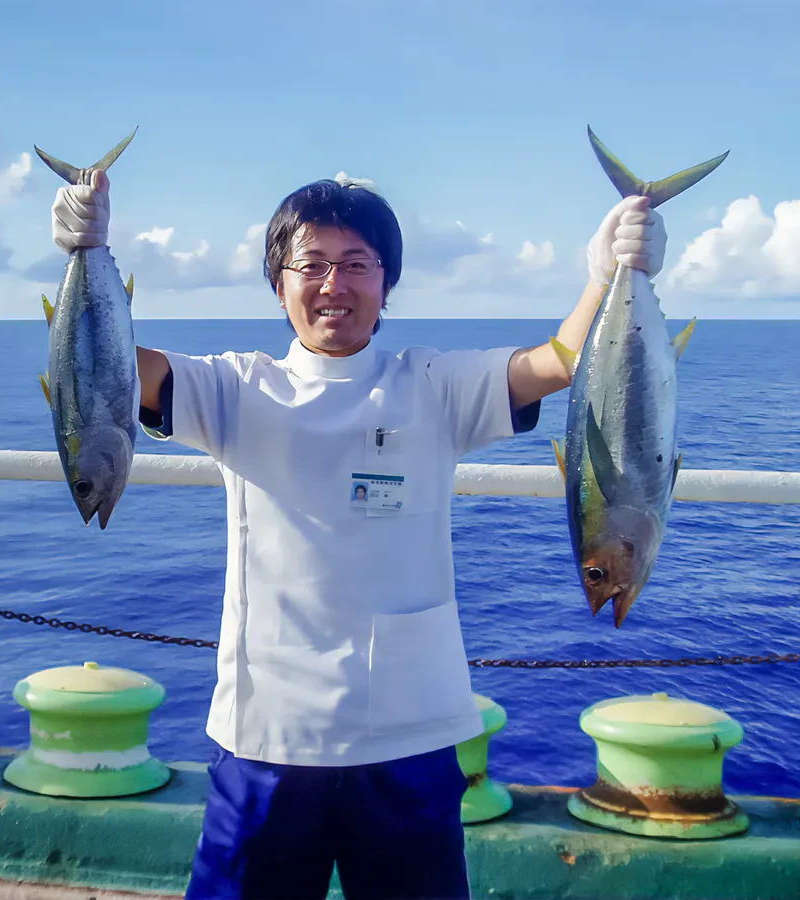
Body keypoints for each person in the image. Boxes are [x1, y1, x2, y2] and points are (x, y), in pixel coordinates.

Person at [51, 167, 665, 899]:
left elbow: (560, 363)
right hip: (266, 739)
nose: (332, 285)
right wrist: (85, 251)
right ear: (278, 285)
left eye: (356, 265)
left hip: (410, 734)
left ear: (387, 284)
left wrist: (606, 272)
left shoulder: (433, 385)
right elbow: (111, 374)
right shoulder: (236, 388)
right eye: (309, 265)